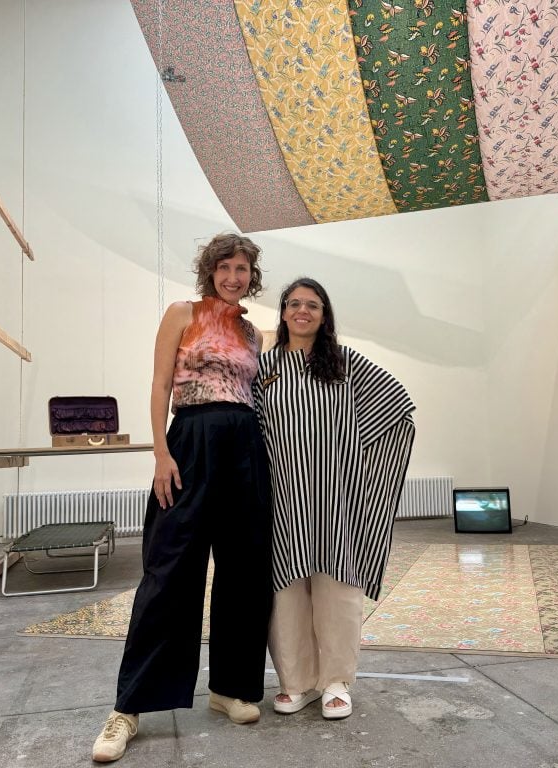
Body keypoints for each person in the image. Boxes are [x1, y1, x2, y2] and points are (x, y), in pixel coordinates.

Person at [92, 234, 273, 763]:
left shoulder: (250, 332)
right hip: (189, 442)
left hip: (244, 446)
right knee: (169, 572)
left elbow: (254, 396)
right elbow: (157, 385)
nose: (233, 276)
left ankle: (228, 688)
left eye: (242, 268)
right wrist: (161, 454)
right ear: (210, 270)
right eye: (225, 267)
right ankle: (129, 707)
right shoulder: (182, 313)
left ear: (251, 275)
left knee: (243, 570)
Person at [253, 277, 415, 720]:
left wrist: (356, 467)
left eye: (313, 305)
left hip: (333, 496)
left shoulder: (346, 364)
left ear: (324, 316)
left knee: (337, 586)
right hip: (282, 494)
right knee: (286, 589)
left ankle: (337, 681)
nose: (302, 311)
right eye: (294, 304)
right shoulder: (262, 367)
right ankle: (297, 682)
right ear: (283, 312)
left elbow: (397, 406)